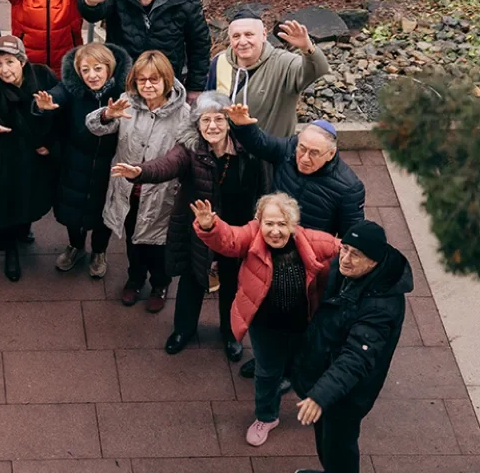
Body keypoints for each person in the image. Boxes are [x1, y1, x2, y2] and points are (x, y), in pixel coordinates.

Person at [112, 91, 264, 360]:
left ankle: (231, 334)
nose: (213, 126)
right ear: (196, 124)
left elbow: (263, 186)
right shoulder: (190, 149)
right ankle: (183, 330)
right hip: (198, 228)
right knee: (192, 279)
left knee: (231, 282)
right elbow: (167, 165)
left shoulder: (248, 149)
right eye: (206, 120)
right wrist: (140, 172)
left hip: (236, 229)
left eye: (219, 119)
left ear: (229, 122)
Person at [192, 193, 341, 449]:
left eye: (282, 224)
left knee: (309, 369)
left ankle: (316, 407)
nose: (274, 231)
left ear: (294, 225)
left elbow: (348, 251)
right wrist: (209, 226)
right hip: (266, 326)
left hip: (304, 325)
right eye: (269, 223)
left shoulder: (314, 242)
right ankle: (266, 417)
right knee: (267, 373)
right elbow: (229, 239)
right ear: (258, 222)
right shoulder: (251, 237)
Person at [292, 221, 412, 473]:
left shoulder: (381, 307)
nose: (345, 259)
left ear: (375, 261)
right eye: (344, 248)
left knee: (339, 446)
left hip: (348, 394)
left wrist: (320, 395)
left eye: (355, 255)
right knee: (325, 439)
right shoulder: (348, 269)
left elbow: (356, 357)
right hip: (326, 374)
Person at [87, 51, 191, 311]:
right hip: (127, 189)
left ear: (167, 80)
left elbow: (187, 154)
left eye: (154, 80)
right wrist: (107, 115)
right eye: (141, 80)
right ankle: (134, 278)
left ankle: (160, 282)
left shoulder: (184, 113)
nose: (147, 85)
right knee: (133, 239)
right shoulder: (127, 103)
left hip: (161, 192)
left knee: (158, 243)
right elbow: (95, 127)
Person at [33, 42, 132, 279]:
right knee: (73, 207)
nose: (91, 75)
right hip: (76, 158)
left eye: (97, 68)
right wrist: (44, 107)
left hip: (108, 162)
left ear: (109, 68)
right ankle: (76, 245)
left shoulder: (121, 92)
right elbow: (57, 95)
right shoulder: (71, 88)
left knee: (103, 212)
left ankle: (99, 251)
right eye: (85, 70)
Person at [0, 35, 59, 282]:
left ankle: (24, 229)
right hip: (5, 158)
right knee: (7, 203)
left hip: (35, 155)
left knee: (31, 197)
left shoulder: (43, 76)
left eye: (9, 61)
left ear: (22, 61)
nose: (3, 69)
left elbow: (60, 107)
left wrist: (49, 138)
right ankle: (10, 250)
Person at [78, 0, 211, 99]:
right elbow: (94, 13)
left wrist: (195, 87)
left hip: (166, 85)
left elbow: (199, 44)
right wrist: (90, 3)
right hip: (124, 84)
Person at [225, 106, 365, 236]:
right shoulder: (289, 148)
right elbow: (261, 144)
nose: (304, 158)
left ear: (331, 154)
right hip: (272, 234)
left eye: (314, 153)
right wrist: (242, 126)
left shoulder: (349, 188)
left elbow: (350, 235)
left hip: (309, 251)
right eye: (302, 148)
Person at [205, 11, 331, 138]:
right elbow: (208, 104)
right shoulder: (220, 61)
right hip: (228, 150)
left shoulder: (283, 62)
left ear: (264, 35)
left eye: (249, 35)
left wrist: (307, 48)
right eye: (236, 36)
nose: (242, 41)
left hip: (270, 152)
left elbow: (318, 70)